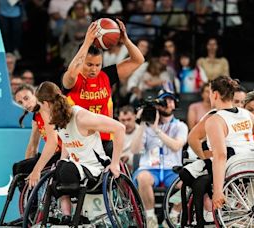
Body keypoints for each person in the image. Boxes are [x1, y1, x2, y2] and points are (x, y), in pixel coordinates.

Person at [179, 76, 254, 227]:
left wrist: (217, 190)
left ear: (216, 94)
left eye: (210, 93)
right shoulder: (246, 114)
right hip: (252, 163)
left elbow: (220, 155)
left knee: (187, 173)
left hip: (230, 166)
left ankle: (207, 211)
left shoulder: (215, 119)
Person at [27, 81, 124, 224]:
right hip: (77, 166)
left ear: (46, 104)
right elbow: (67, 139)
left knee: (65, 170)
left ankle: (80, 216)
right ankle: (66, 217)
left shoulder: (80, 117)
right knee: (56, 171)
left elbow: (120, 128)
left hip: (94, 167)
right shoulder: (57, 119)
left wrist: (115, 163)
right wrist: (62, 158)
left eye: (40, 106)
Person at [61, 19, 144, 156]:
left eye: (97, 65)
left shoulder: (106, 76)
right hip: (79, 141)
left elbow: (138, 60)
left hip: (104, 140)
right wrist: (87, 41)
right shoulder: (71, 79)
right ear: (81, 62)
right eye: (89, 65)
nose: (94, 69)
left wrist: (126, 41)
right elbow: (72, 72)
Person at [131, 90, 188, 227]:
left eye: (170, 101)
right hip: (150, 168)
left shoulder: (180, 126)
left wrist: (157, 130)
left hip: (172, 170)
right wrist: (141, 124)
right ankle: (150, 218)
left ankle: (173, 216)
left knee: (188, 183)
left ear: (175, 104)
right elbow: (135, 150)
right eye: (164, 101)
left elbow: (176, 146)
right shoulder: (147, 126)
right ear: (157, 106)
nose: (167, 104)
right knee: (143, 178)